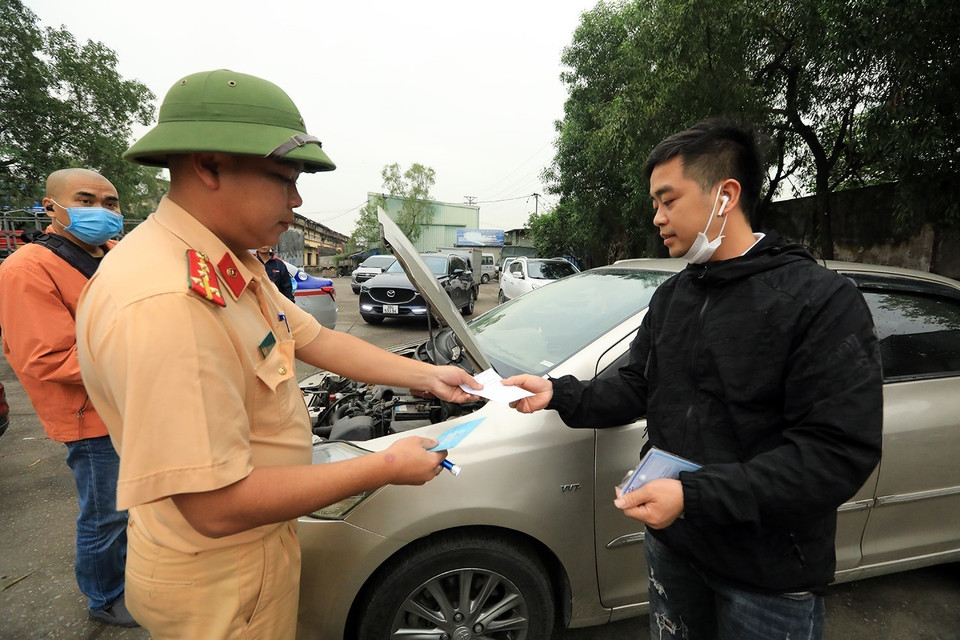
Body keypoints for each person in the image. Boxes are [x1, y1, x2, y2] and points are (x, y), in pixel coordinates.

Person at [74, 69, 480, 640]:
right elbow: (213, 507)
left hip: (247, 559)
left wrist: (431, 375)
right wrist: (386, 466)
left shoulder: (226, 263)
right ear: (209, 166)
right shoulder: (167, 301)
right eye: (282, 179)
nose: (296, 202)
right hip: (219, 584)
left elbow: (314, 340)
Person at [504, 119, 883, 640]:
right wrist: (558, 393)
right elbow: (637, 385)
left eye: (667, 200)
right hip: (675, 547)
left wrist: (694, 495)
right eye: (654, 204)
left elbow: (836, 454)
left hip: (766, 573)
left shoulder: (819, 302)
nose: (657, 218)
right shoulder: (675, 296)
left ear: (725, 195)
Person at [0, 168, 136, 627]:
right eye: (86, 199)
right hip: (91, 415)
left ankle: (131, 574)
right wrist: (151, 355)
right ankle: (105, 596)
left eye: (111, 202)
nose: (101, 211)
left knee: (140, 502)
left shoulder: (117, 255)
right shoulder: (26, 268)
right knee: (106, 514)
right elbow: (47, 357)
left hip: (135, 402)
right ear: (50, 206)